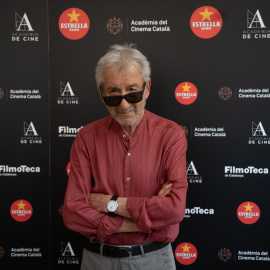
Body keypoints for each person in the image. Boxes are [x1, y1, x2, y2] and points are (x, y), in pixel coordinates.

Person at [63, 43, 188, 270]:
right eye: (113, 93)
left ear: (147, 88)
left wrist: (110, 204)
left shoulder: (171, 136)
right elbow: (73, 214)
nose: (123, 104)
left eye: (133, 91)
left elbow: (174, 210)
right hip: (97, 261)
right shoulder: (86, 138)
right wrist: (145, 221)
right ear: (101, 93)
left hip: (154, 260)